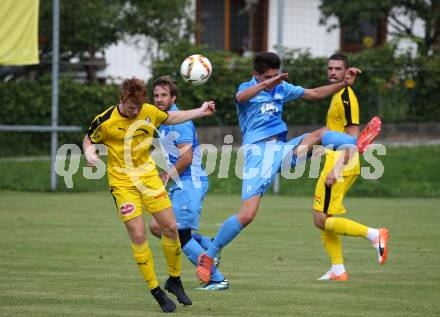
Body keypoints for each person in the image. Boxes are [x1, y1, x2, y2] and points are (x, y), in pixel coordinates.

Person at [196, 52, 383, 284]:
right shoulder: (248, 87)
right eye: (268, 77)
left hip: (282, 149)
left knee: (321, 134)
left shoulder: (281, 88)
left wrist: (343, 84)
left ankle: (355, 144)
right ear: (257, 75)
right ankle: (209, 255)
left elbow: (314, 93)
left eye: (276, 75)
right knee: (246, 215)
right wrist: (266, 84)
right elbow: (241, 97)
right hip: (259, 155)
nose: (274, 80)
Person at [82, 78, 215, 312]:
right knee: (139, 234)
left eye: (138, 106)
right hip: (123, 185)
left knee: (171, 228)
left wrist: (201, 111)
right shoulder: (105, 120)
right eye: (131, 107)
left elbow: (172, 117)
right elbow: (89, 139)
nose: (136, 111)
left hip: (148, 178)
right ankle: (156, 291)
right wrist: (90, 154)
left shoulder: (148, 111)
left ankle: (174, 280)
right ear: (121, 100)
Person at [148, 76, 229, 291]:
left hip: (189, 182)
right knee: (157, 227)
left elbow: (186, 158)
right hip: (180, 183)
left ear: (173, 97)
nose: (158, 99)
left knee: (180, 236)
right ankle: (208, 245)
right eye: (156, 95)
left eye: (163, 95)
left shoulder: (180, 121)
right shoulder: (162, 120)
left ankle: (216, 278)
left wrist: (167, 176)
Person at [313, 54, 389, 281]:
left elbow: (352, 138)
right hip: (336, 160)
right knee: (325, 218)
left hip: (341, 164)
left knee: (320, 219)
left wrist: (335, 169)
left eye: (338, 69)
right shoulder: (336, 92)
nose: (332, 72)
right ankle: (338, 270)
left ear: (346, 72)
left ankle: (375, 235)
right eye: (330, 68)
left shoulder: (347, 97)